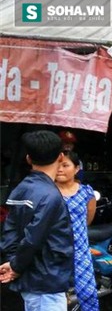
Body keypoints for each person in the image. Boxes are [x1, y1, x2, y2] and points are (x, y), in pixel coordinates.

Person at [0, 130, 74, 311]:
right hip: (46, 282)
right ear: (61, 156)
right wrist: (16, 266)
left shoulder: (20, 190)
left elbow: (9, 231)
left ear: (28, 159)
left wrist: (12, 262)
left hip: (33, 280)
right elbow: (33, 238)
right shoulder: (51, 196)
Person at [55, 149, 99, 311]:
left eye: (65, 165)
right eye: (57, 165)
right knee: (57, 296)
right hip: (55, 252)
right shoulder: (48, 191)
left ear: (76, 168)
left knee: (88, 293)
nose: (59, 169)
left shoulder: (86, 192)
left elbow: (88, 219)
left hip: (80, 251)